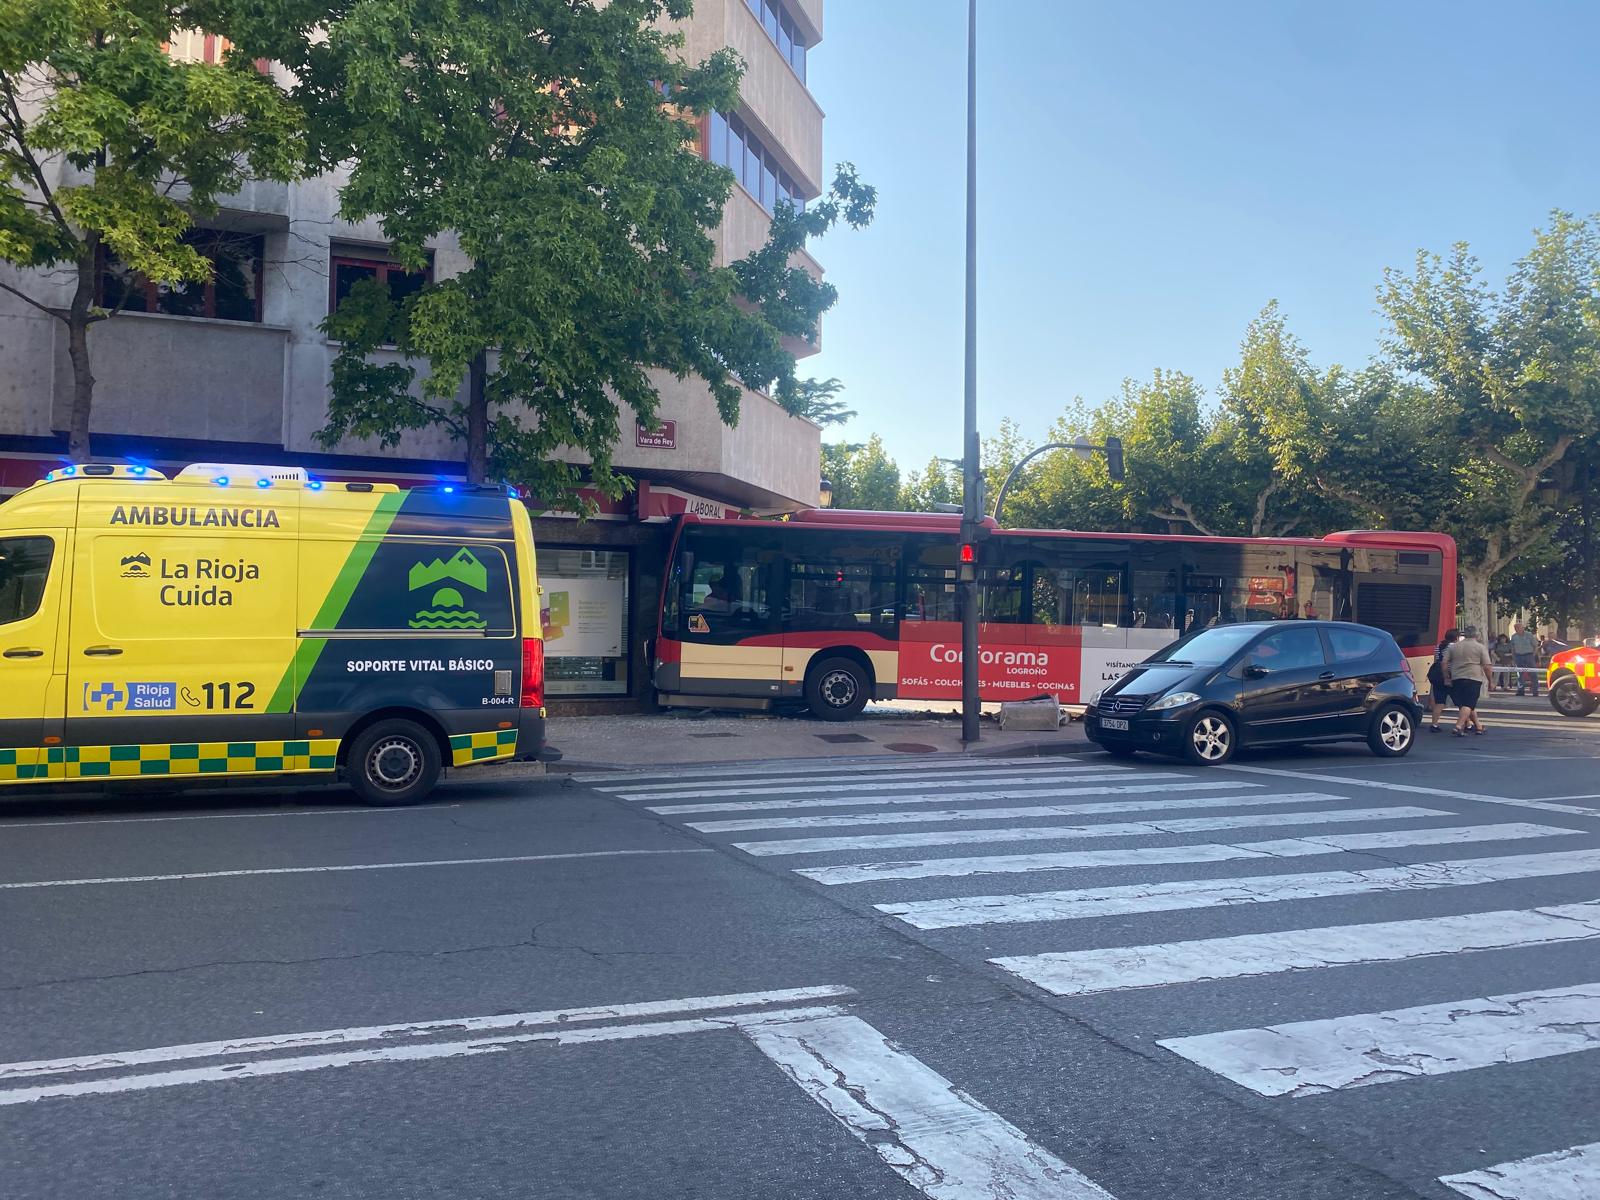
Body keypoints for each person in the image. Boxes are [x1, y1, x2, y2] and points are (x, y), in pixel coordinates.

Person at [1444, 626, 1492, 737]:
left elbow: (1444, 663)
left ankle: (1478, 727)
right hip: (1473, 677)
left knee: (1467, 705)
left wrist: (1446, 676)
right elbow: (1487, 666)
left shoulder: (1453, 647)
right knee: (1468, 704)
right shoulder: (1480, 647)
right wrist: (1490, 680)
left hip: (1457, 678)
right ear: (1477, 635)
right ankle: (1458, 726)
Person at [1427, 628, 1459, 733]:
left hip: (1437, 676)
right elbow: (1453, 661)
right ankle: (1466, 723)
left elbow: (1436, 660)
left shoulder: (1438, 646)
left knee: (1439, 702)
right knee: (1460, 702)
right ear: (1456, 637)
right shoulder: (1453, 647)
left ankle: (1434, 724)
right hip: (1448, 675)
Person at [1509, 621, 1540, 696]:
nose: (1516, 629)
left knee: (1533, 673)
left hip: (1529, 655)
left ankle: (1535, 691)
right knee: (1520, 674)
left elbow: (1535, 646)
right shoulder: (1513, 637)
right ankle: (1520, 690)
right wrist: (1513, 658)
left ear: (1522, 628)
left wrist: (1533, 655)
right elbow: (1512, 648)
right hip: (1518, 656)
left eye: (1518, 627)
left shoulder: (1529, 635)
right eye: (1515, 628)